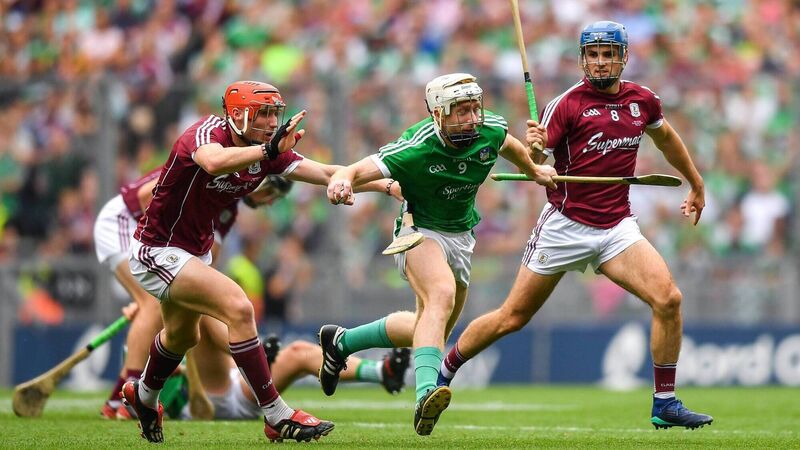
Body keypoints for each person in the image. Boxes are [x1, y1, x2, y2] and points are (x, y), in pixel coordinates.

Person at [436, 21, 713, 431]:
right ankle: (444, 370)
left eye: (608, 54)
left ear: (623, 57)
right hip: (565, 226)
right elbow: (536, 161)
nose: (600, 62)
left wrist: (696, 182)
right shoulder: (566, 104)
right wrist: (535, 150)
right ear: (583, 59)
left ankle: (665, 402)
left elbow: (667, 138)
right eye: (593, 54)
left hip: (616, 227)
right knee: (512, 317)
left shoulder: (643, 101)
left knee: (668, 299)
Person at [121, 80, 400, 443]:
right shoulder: (207, 133)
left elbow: (326, 172)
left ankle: (143, 397)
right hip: (157, 248)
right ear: (237, 115)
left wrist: (385, 185)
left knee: (183, 335)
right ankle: (276, 414)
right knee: (238, 307)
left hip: (194, 251)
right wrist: (267, 151)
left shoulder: (267, 151)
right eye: (263, 114)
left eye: (274, 114)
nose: (272, 122)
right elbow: (213, 162)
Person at [321, 73, 557, 436]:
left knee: (429, 328)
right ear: (438, 114)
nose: (472, 118)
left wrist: (533, 169)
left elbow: (508, 144)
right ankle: (424, 395)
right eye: (461, 111)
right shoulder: (416, 146)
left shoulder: (489, 130)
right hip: (419, 230)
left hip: (462, 236)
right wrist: (344, 179)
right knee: (441, 295)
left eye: (475, 108)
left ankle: (342, 343)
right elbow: (357, 169)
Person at [93, 171, 293, 419]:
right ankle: (126, 402)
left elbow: (207, 265)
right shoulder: (216, 171)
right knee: (152, 304)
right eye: (272, 193)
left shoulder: (228, 209)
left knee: (168, 301)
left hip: (157, 245)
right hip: (125, 222)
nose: (271, 202)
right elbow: (145, 197)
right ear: (260, 180)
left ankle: (119, 400)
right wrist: (147, 284)